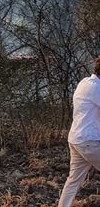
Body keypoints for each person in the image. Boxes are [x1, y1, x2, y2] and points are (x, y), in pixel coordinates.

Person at [58, 57, 100, 206]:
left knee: (73, 180)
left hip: (76, 139)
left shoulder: (84, 82)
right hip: (89, 141)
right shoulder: (96, 88)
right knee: (73, 180)